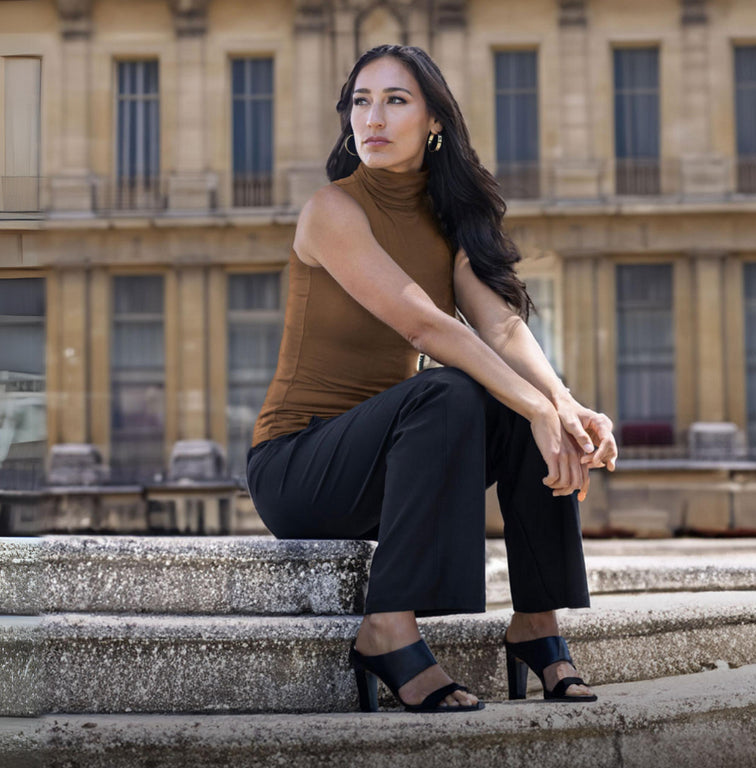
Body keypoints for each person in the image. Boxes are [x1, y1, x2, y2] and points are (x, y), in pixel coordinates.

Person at [245, 44, 617, 713]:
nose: (372, 117)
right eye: (361, 101)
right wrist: (533, 403)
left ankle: (538, 624)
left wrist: (564, 406)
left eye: (395, 100)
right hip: (298, 468)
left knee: (514, 408)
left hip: (390, 464)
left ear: (434, 122)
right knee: (453, 387)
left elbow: (500, 327)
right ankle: (388, 627)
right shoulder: (332, 210)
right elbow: (425, 327)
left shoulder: (446, 225)